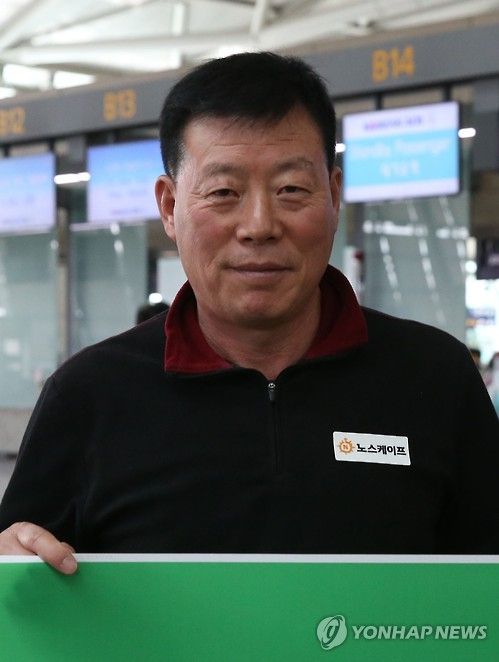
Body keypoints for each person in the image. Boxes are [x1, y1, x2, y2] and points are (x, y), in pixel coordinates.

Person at [0, 52, 498, 575]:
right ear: (169, 207)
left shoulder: (434, 378)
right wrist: (10, 564)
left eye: (291, 190)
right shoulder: (89, 397)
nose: (259, 225)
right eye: (223, 192)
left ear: (333, 195)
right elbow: (19, 580)